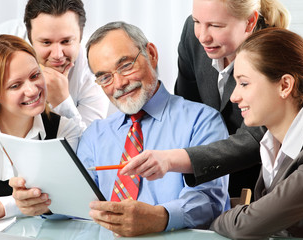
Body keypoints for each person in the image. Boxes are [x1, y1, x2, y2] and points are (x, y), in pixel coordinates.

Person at [9, 21, 230, 237]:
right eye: (105, 77)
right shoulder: (95, 135)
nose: (119, 84)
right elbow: (78, 202)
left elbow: (209, 201)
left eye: (125, 66)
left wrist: (159, 217)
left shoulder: (202, 121)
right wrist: (43, 203)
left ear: (151, 54)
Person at [121, 0, 290, 198]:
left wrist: (173, 160)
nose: (202, 36)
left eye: (216, 26)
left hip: (255, 186)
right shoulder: (193, 36)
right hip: (199, 179)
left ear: (250, 22)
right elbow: (187, 110)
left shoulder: (275, 54)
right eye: (197, 21)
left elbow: (253, 140)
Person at [0, 34, 85, 221]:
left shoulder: (65, 130)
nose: (33, 90)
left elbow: (67, 197)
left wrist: (0, 206)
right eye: (15, 85)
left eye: (35, 75)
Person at [211, 27, 303, 239]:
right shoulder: (271, 143)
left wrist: (221, 217)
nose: (233, 96)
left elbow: (244, 226)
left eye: (244, 83)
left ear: (285, 85)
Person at [0, 0, 108, 126]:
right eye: (46, 42)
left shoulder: (94, 70)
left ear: (81, 36)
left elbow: (89, 146)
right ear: (29, 37)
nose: (57, 55)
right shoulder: (3, 42)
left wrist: (63, 102)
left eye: (66, 41)